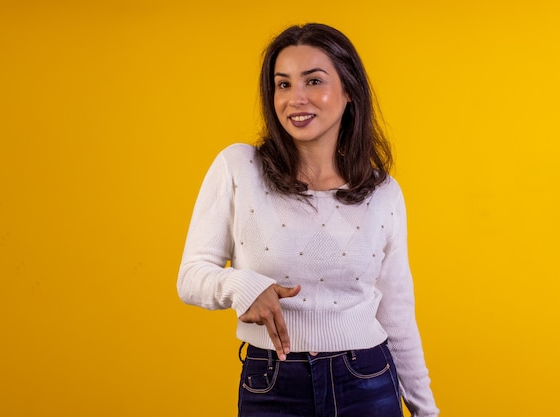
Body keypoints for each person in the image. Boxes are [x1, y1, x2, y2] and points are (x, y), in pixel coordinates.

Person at [177, 23, 439, 417]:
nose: (296, 99)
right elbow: (191, 276)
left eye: (313, 81)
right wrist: (242, 285)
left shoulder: (383, 192)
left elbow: (397, 314)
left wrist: (426, 410)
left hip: (366, 379)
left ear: (349, 91)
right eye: (283, 85)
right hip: (272, 382)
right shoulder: (238, 168)